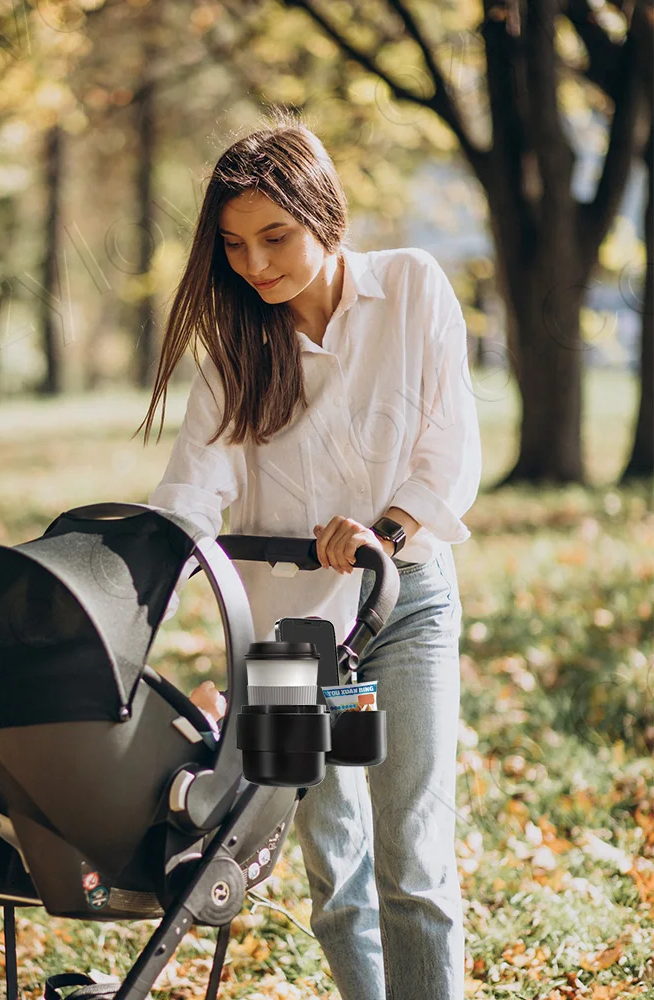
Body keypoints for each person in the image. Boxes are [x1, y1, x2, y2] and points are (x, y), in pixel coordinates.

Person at [136, 113, 482, 1000]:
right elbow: (191, 494)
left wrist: (387, 535)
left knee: (413, 859)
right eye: (235, 246)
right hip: (288, 638)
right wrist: (128, 596)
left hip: (399, 607)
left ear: (324, 211)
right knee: (334, 867)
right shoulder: (235, 355)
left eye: (275, 237)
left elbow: (450, 448)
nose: (254, 266)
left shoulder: (411, 289)